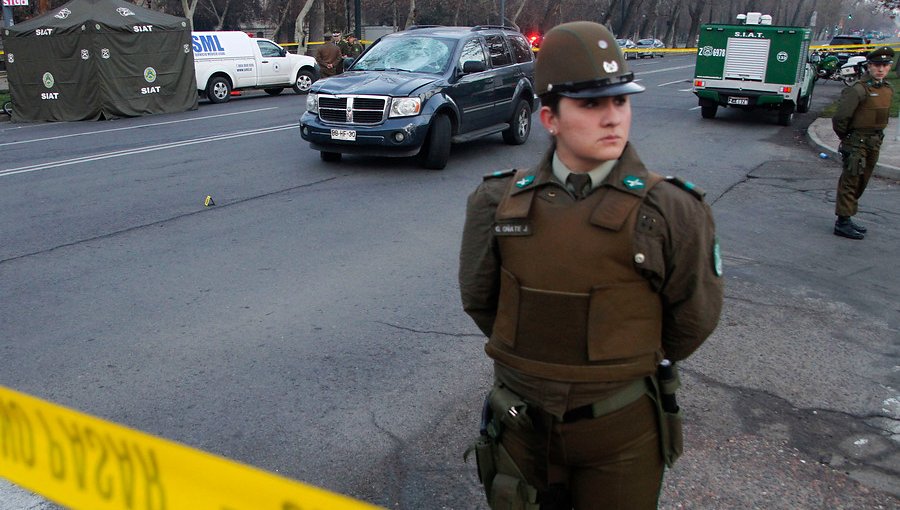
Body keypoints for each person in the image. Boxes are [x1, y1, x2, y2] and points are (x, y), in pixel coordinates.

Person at [458, 21, 723, 509]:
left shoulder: (672, 209)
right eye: (591, 104)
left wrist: (618, 362)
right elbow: (481, 299)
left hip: (621, 432)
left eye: (620, 101)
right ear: (550, 119)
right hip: (522, 424)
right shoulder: (497, 201)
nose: (612, 118)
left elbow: (692, 318)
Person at [831, 46, 894, 240]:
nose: (880, 69)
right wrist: (847, 138)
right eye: (876, 65)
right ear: (869, 66)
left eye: (884, 65)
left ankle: (848, 216)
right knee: (851, 180)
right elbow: (840, 118)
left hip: (874, 141)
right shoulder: (858, 89)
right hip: (857, 141)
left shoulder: (886, 88)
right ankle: (842, 221)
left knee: (862, 180)